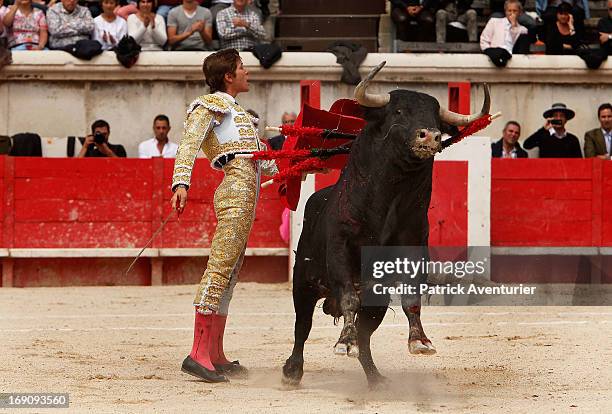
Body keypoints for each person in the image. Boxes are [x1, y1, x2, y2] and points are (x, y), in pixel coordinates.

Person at [170, 48, 278, 383]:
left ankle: (215, 353)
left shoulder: (238, 113)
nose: (247, 72)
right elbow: (189, 143)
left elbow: (261, 158)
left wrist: (292, 171)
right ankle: (197, 354)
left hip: (249, 188)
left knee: (230, 272)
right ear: (228, 76)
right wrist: (180, 181)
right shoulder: (210, 105)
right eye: (242, 67)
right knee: (219, 268)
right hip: (234, 188)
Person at [480, 0, 530, 67]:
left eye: (515, 11)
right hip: (494, 55)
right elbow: (484, 40)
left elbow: (514, 43)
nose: (511, 13)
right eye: (509, 10)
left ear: (520, 13)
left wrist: (513, 26)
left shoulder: (523, 30)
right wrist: (490, 52)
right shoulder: (494, 22)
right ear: (505, 11)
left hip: (512, 60)